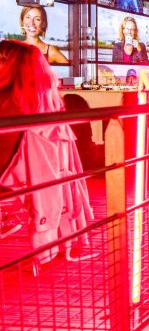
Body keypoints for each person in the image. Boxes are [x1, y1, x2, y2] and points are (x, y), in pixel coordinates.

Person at [0, 40, 93, 265]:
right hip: (38, 182)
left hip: (11, 176)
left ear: (11, 65)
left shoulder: (8, 101)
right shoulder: (47, 103)